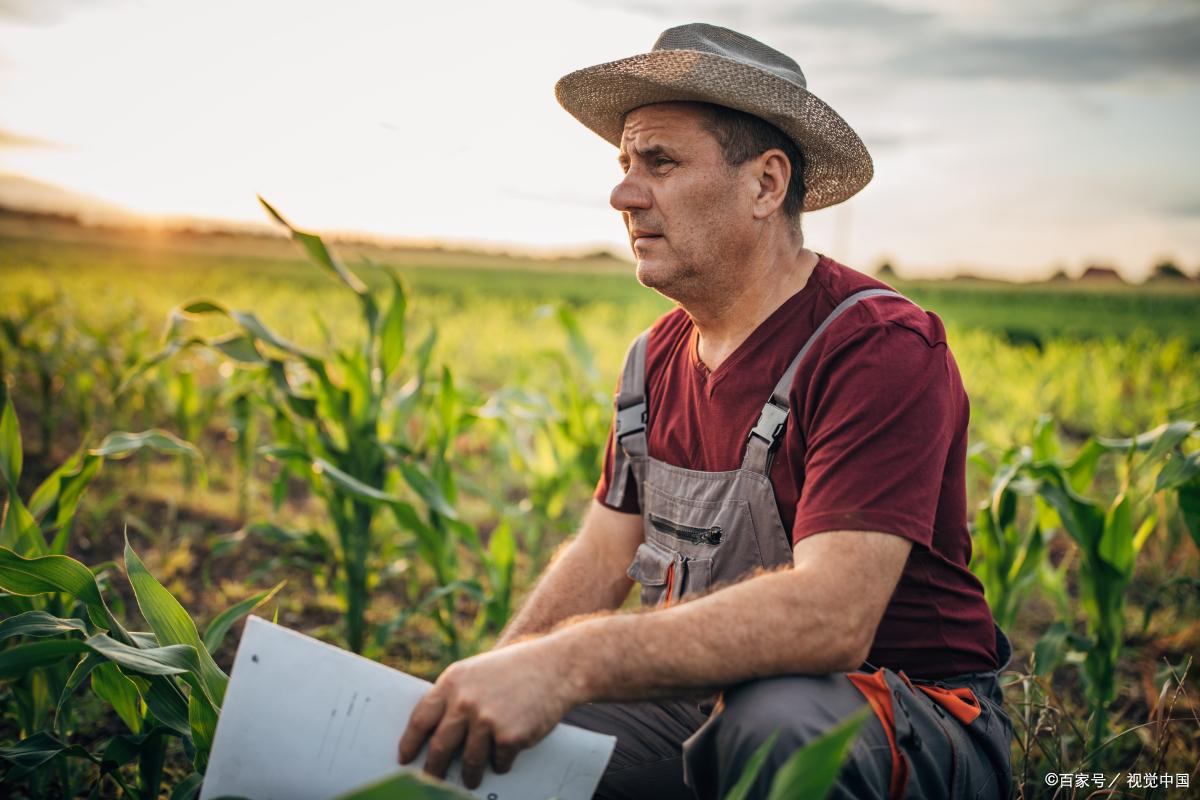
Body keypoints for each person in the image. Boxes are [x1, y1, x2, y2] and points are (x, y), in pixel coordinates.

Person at [399, 22, 1013, 799]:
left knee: (773, 729)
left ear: (765, 185)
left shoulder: (877, 346)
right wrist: (492, 680)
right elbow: (602, 554)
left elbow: (832, 617)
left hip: (904, 713)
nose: (624, 193)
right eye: (625, 165)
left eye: (659, 162)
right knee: (504, 749)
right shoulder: (652, 360)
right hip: (710, 698)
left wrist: (570, 662)